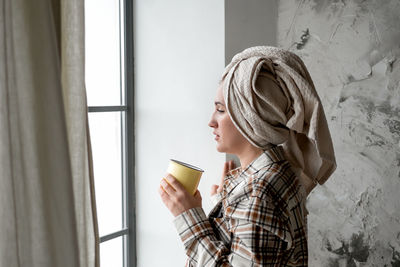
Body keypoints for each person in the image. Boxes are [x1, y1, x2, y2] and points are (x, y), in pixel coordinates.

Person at [158, 46, 337, 266]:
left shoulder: (258, 193)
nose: (211, 121)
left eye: (221, 110)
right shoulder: (279, 171)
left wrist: (188, 216)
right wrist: (224, 203)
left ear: (251, 119)